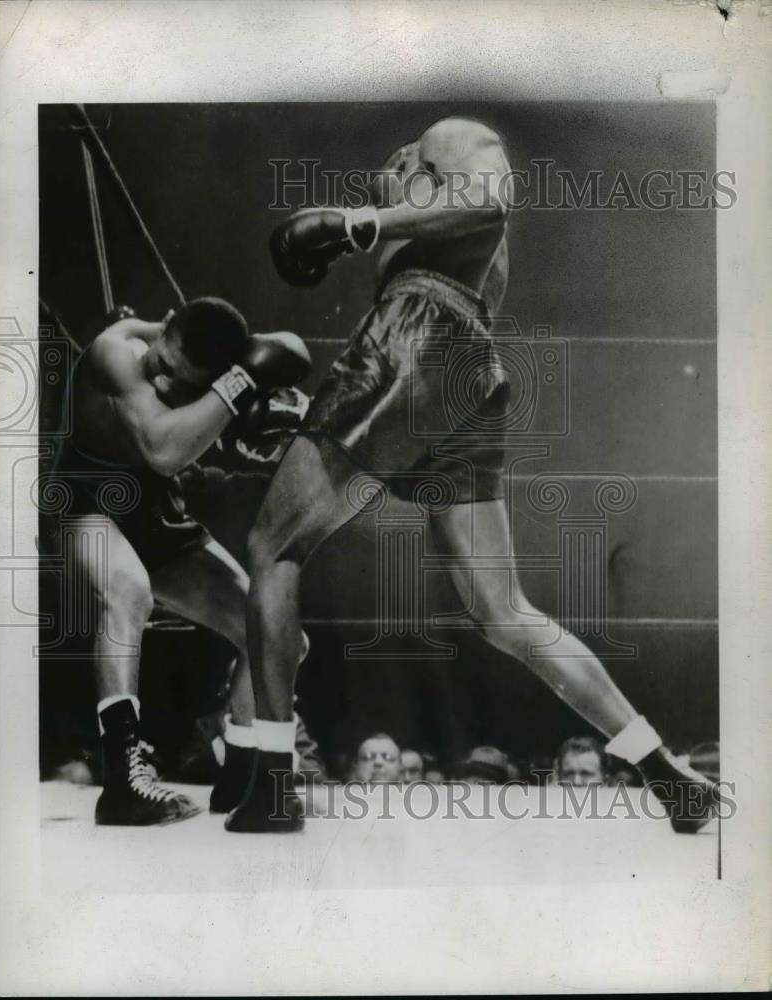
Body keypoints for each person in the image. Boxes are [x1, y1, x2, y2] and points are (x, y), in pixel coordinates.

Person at [227, 116, 715, 834]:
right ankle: (658, 767)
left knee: (273, 548)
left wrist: (354, 222)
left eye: (394, 170)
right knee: (502, 611)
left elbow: (487, 202)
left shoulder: (450, 137)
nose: (383, 173)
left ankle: (271, 780)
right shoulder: (416, 215)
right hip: (453, 366)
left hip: (420, 334)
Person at [50, 298, 310, 825]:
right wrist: (234, 392)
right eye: (163, 366)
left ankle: (241, 767)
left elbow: (292, 349)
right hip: (86, 504)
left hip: (157, 516)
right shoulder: (115, 351)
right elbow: (163, 450)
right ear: (165, 325)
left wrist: (252, 415)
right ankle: (123, 778)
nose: (164, 384)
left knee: (272, 633)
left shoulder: (217, 374)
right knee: (127, 589)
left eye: (180, 380)